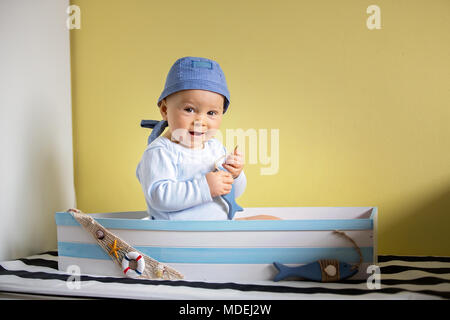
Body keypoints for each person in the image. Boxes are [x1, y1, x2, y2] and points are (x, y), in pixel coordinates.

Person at [136, 56, 279, 220]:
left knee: (270, 220)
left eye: (211, 113)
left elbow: (234, 193)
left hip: (218, 229)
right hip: (180, 234)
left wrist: (235, 175)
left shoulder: (215, 148)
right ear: (164, 109)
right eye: (189, 109)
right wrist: (205, 188)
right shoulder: (160, 151)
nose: (200, 121)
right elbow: (158, 196)